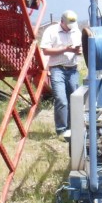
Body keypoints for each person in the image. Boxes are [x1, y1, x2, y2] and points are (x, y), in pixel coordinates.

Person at [41, 10, 82, 138]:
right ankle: (61, 130)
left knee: (74, 99)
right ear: (62, 22)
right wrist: (65, 49)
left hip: (73, 69)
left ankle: (72, 128)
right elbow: (45, 50)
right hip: (57, 69)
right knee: (61, 99)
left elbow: (80, 48)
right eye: (68, 26)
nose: (70, 28)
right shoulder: (51, 31)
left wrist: (78, 51)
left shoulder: (76, 31)